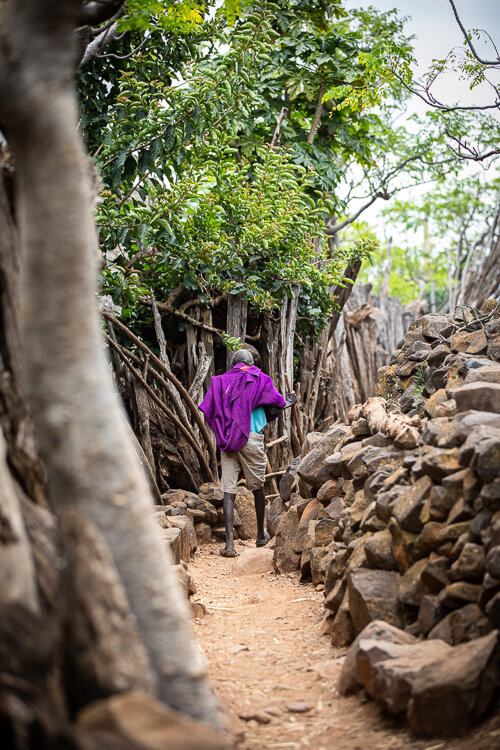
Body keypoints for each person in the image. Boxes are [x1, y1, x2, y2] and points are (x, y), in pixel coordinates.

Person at [199, 349, 297, 557]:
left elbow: (210, 411)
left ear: (233, 364)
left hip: (227, 441)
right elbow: (274, 407)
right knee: (258, 486)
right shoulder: (258, 378)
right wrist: (288, 401)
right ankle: (261, 536)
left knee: (228, 490)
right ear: (250, 363)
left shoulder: (219, 382)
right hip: (251, 438)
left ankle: (229, 545)